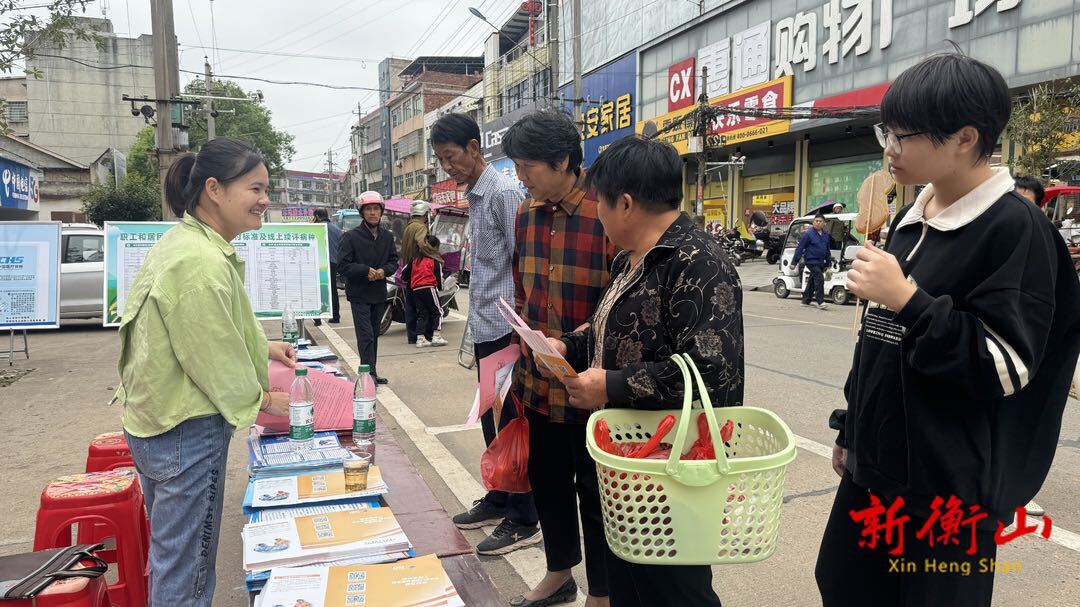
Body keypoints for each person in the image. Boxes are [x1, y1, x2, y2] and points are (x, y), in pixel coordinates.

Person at [817, 54, 1080, 607]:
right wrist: (850, 429)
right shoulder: (916, 214)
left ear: (964, 138)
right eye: (884, 130)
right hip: (876, 469)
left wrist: (909, 301)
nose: (888, 147)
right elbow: (876, 340)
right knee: (841, 584)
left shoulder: (1014, 229)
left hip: (945, 492)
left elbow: (1006, 366)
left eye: (902, 135)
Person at [544, 135, 741, 607]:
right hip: (628, 459)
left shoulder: (699, 263)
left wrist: (608, 385)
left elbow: (711, 373)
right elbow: (608, 326)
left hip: (674, 464)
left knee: (674, 586)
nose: (597, 214)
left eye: (600, 203)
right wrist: (565, 344)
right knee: (629, 576)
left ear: (626, 203)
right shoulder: (629, 259)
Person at [116, 138, 297, 605]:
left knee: (174, 556)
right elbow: (212, 355)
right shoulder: (198, 262)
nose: (264, 200)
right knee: (188, 567)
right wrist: (262, 402)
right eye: (255, 188)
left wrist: (265, 346)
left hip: (161, 423)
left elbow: (219, 325)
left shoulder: (191, 244)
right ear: (214, 189)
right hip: (185, 430)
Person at [504, 110, 615, 607]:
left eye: (527, 166)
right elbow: (523, 286)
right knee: (547, 483)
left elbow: (620, 300)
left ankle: (602, 592)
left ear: (564, 160)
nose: (521, 176)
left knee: (596, 495)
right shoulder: (527, 212)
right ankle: (558, 572)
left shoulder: (606, 210)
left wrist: (576, 344)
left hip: (588, 383)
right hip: (537, 379)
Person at [432, 112, 540, 557]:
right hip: (485, 330)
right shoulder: (476, 197)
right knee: (493, 421)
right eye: (441, 160)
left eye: (451, 157)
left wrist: (522, 334)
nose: (447, 167)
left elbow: (525, 264)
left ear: (475, 148)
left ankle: (523, 516)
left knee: (515, 423)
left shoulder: (503, 191)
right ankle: (498, 498)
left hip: (506, 333)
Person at [339, 191, 398, 385]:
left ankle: (371, 371)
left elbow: (393, 262)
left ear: (381, 212)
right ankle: (366, 374)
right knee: (365, 336)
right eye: (368, 209)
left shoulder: (387, 237)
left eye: (376, 209)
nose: (373, 213)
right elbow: (343, 265)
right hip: (359, 294)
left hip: (378, 294)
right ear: (362, 212)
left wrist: (383, 271)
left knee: (374, 334)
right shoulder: (350, 237)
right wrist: (366, 271)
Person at [400, 200, 436, 345]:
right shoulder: (421, 227)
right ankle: (424, 335)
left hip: (410, 272)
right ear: (424, 213)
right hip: (420, 272)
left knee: (411, 306)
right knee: (424, 307)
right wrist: (436, 256)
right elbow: (423, 244)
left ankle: (412, 335)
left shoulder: (408, 227)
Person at [410, 234, 448, 347]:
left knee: (423, 313)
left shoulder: (415, 260)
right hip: (429, 287)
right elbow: (439, 278)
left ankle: (420, 339)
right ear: (434, 248)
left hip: (416, 289)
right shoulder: (434, 261)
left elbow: (404, 273)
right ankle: (436, 336)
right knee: (439, 311)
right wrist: (441, 288)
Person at [789, 213, 832, 309]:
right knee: (819, 279)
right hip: (811, 261)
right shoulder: (808, 234)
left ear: (824, 223)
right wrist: (794, 263)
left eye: (820, 221)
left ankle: (805, 300)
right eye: (816, 221)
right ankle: (820, 302)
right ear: (813, 222)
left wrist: (828, 262)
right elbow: (800, 248)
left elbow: (827, 249)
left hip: (821, 262)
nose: (818, 223)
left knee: (812, 281)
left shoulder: (825, 235)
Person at [311, 208, 342, 325]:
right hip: (334, 263)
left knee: (319, 290)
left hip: (320, 263)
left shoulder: (316, 228)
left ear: (317, 217)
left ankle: (318, 318)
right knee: (333, 290)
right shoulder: (337, 229)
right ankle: (336, 316)